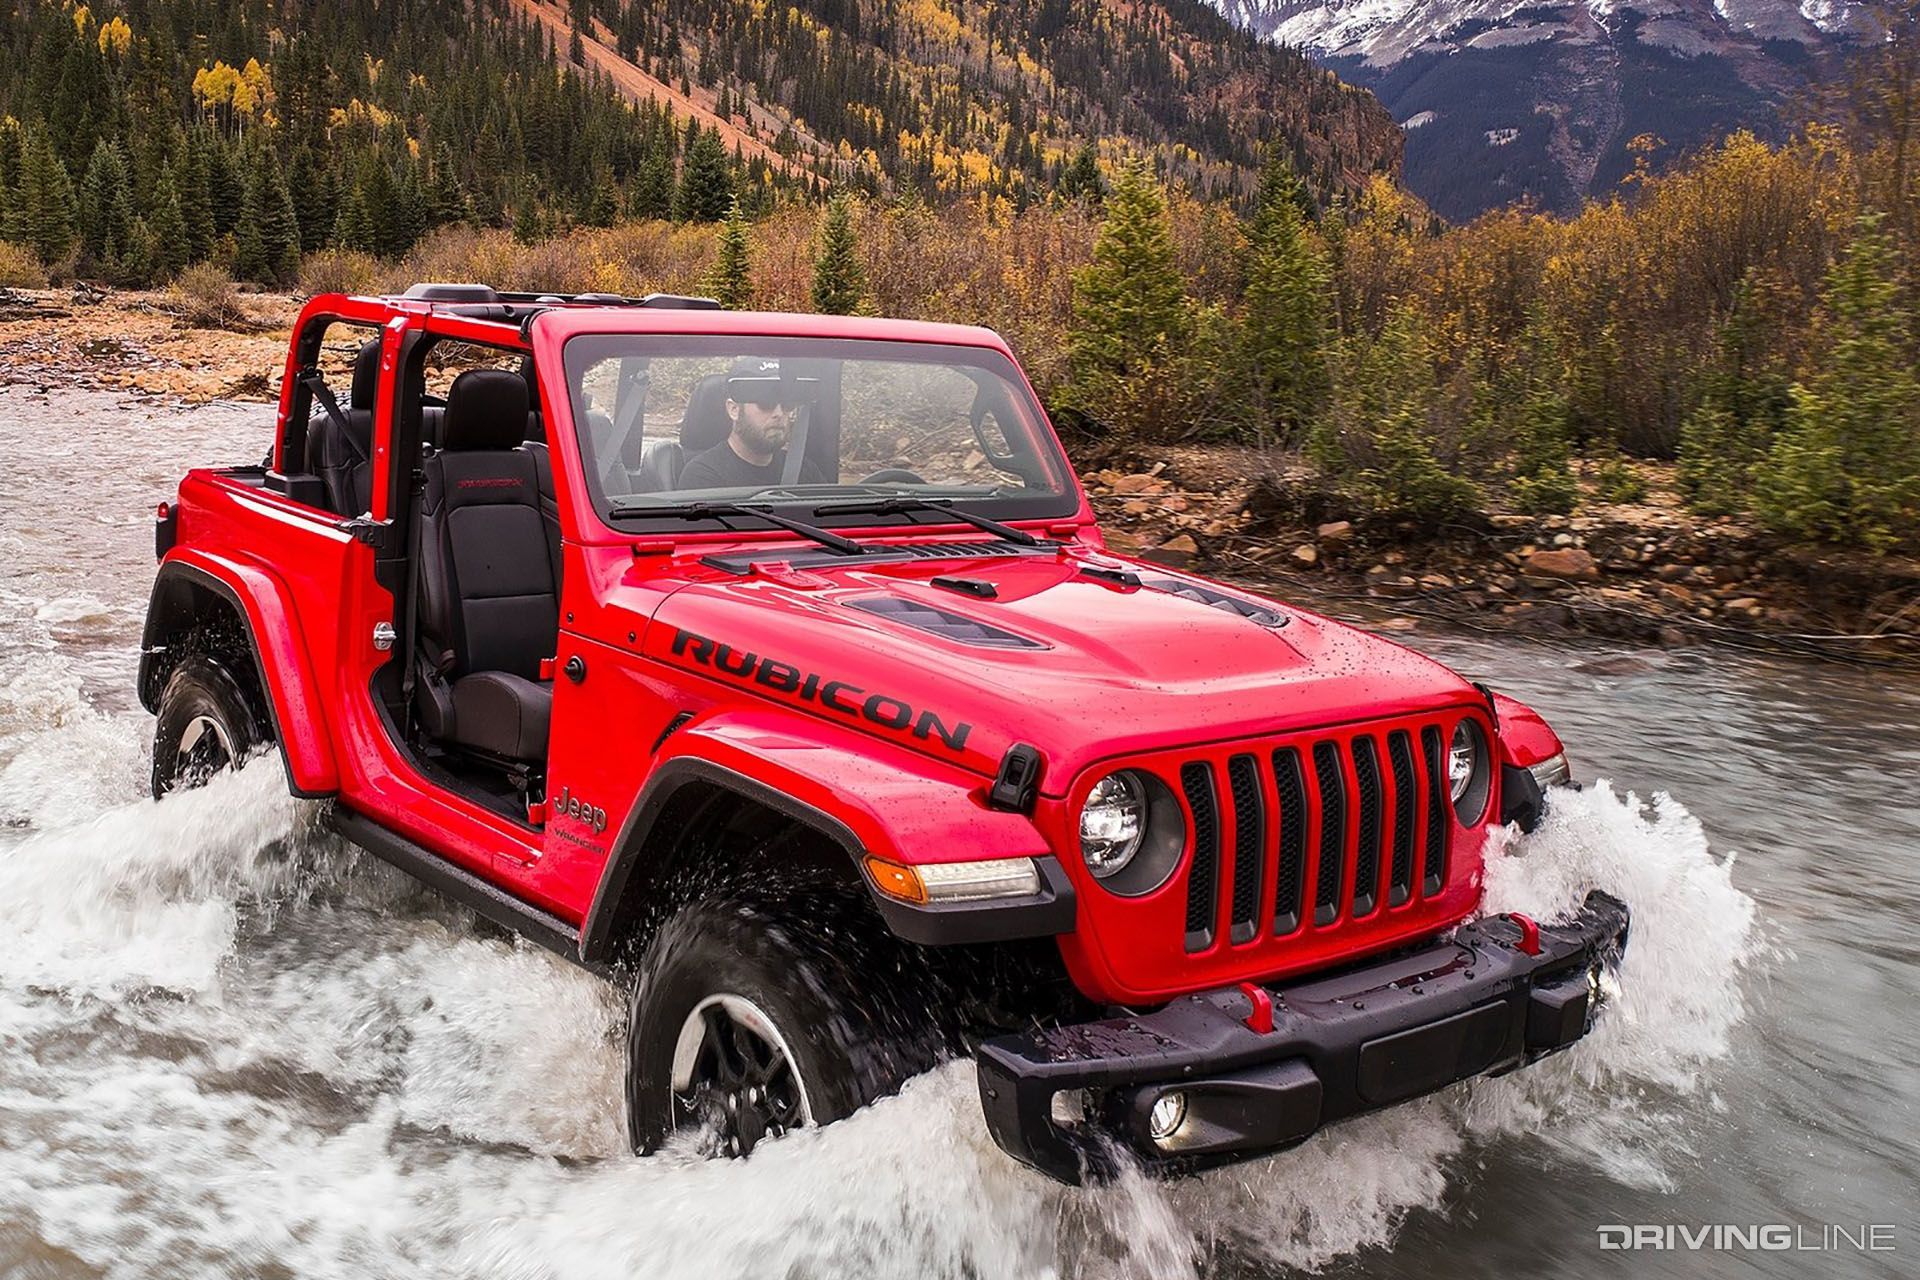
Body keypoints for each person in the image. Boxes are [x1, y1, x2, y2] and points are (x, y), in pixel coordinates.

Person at [677, 356, 829, 490]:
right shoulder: (703, 476)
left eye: (787, 405)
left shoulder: (804, 471)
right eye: (766, 404)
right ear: (734, 409)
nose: (779, 413)